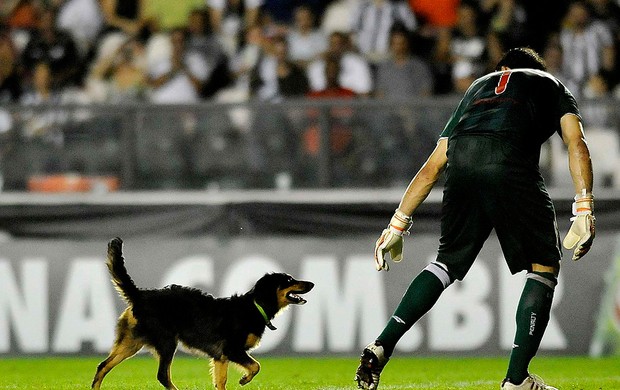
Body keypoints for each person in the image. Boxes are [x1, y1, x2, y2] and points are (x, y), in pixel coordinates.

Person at [355, 47, 595, 390]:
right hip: (510, 163)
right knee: (543, 266)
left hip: (463, 166)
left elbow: (434, 164)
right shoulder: (550, 83)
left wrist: (398, 222)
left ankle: (381, 345)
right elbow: (576, 142)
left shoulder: (477, 87)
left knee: (445, 263)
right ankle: (516, 380)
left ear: (503, 69)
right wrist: (584, 204)